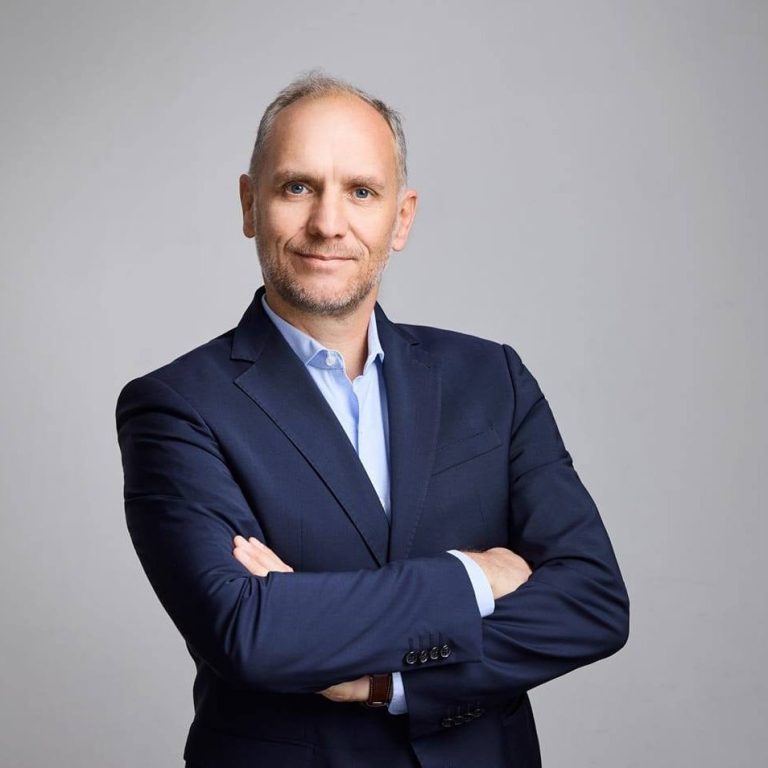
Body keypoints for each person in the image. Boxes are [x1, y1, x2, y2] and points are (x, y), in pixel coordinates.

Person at [115, 71, 629, 768]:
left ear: (402, 217)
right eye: (298, 187)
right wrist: (473, 578)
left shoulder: (492, 379)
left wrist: (389, 682)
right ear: (249, 204)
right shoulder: (176, 405)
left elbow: (592, 602)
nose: (329, 223)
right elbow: (248, 632)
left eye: (361, 191)